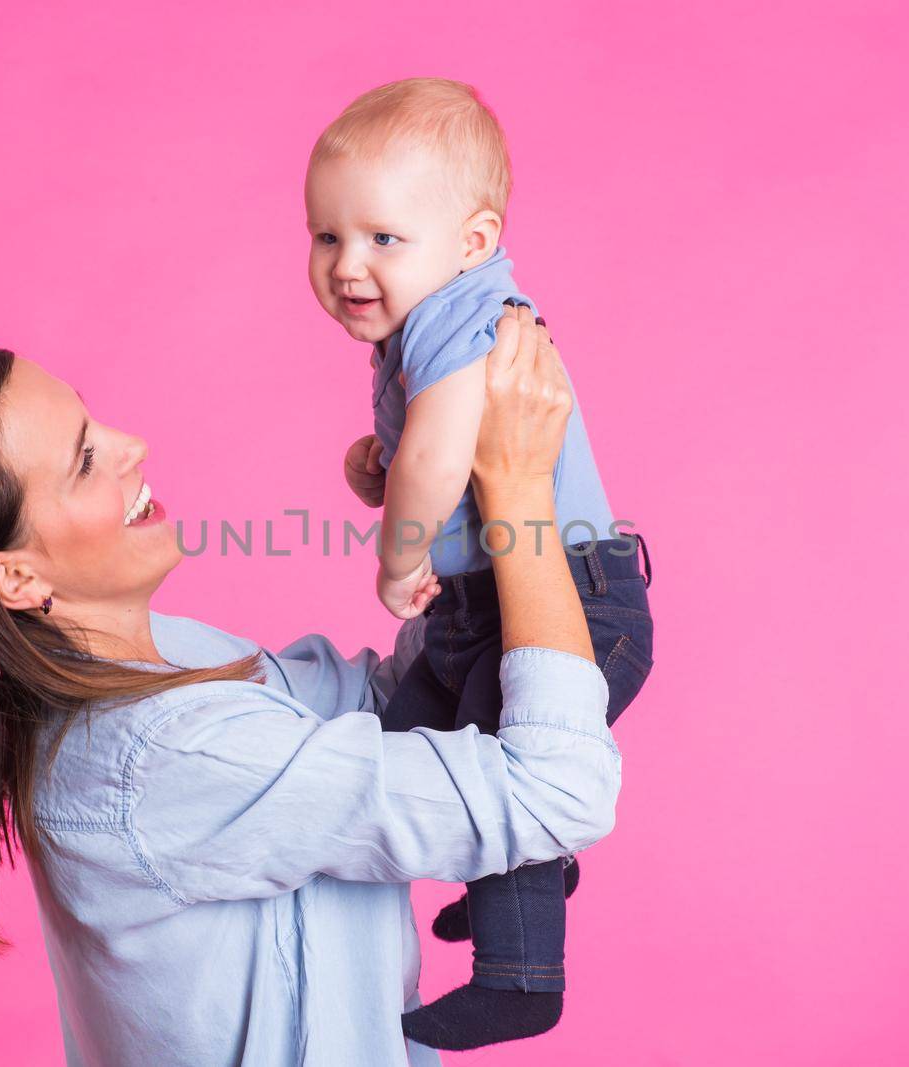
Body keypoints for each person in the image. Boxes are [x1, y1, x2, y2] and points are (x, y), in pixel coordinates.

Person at [0, 306, 625, 1066]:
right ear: (17, 575)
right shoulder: (161, 752)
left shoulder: (155, 659)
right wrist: (522, 498)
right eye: (86, 460)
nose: (132, 446)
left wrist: (457, 511)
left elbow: (381, 718)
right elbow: (560, 790)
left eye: (94, 421)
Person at [305, 77, 656, 1048]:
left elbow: (436, 457)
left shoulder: (470, 313)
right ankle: (521, 867)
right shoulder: (423, 324)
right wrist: (374, 465)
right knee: (415, 745)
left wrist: (394, 556)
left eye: (382, 237)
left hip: (569, 600)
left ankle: (519, 971)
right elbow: (417, 452)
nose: (346, 264)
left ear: (471, 241)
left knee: (503, 763)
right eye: (326, 236)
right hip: (480, 607)